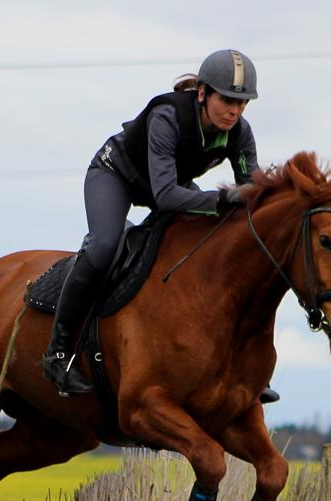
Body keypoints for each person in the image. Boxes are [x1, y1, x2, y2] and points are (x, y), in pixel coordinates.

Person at [42, 49, 280, 404]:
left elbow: (250, 192)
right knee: (105, 245)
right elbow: (167, 195)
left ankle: (238, 367)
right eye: (227, 100)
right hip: (117, 175)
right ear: (202, 93)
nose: (234, 111)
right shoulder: (168, 117)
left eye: (242, 103)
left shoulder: (240, 132)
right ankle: (58, 353)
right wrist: (221, 200)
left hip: (168, 184)